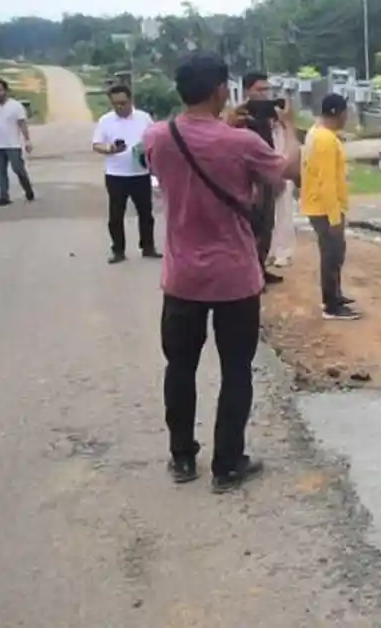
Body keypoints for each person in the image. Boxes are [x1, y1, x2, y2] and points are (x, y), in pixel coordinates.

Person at [143, 51, 300, 492]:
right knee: (236, 369)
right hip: (234, 277)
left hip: (182, 278)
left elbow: (178, 162)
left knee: (180, 367)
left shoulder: (157, 136)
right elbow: (287, 171)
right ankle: (227, 464)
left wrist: (218, 123)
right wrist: (287, 126)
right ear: (219, 91)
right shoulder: (243, 143)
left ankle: (182, 458)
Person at [300, 94, 359, 321]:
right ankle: (331, 305)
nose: (347, 117)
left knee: (336, 253)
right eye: (346, 113)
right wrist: (334, 218)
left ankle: (335, 294)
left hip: (321, 206)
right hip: (324, 208)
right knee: (332, 255)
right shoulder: (324, 139)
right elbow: (327, 182)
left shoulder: (319, 133)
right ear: (338, 113)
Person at [91, 84, 158, 263]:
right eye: (116, 104)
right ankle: (118, 250)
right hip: (116, 175)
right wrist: (110, 149)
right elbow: (96, 144)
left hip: (140, 173)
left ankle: (148, 247)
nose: (120, 107)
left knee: (145, 213)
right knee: (115, 215)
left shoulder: (144, 118)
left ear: (131, 100)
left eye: (123, 103)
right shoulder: (105, 120)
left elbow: (155, 139)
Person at [241, 72, 284, 285]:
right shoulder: (243, 116)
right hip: (252, 179)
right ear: (248, 91)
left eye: (266, 90)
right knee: (254, 227)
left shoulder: (266, 114)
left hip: (267, 174)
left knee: (268, 224)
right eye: (259, 90)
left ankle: (261, 267)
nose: (264, 94)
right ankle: (252, 275)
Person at [267, 90, 298, 268]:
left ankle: (283, 252)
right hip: (267, 174)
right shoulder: (263, 128)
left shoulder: (284, 130)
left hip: (284, 173)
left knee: (284, 213)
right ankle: (270, 251)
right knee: (268, 215)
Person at [0, 77, 34, 206]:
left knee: (17, 168)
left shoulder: (15, 106)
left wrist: (27, 140)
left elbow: (22, 124)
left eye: (0, 90)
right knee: (0, 171)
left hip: (13, 144)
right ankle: (3, 196)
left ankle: (28, 189)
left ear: (6, 91)